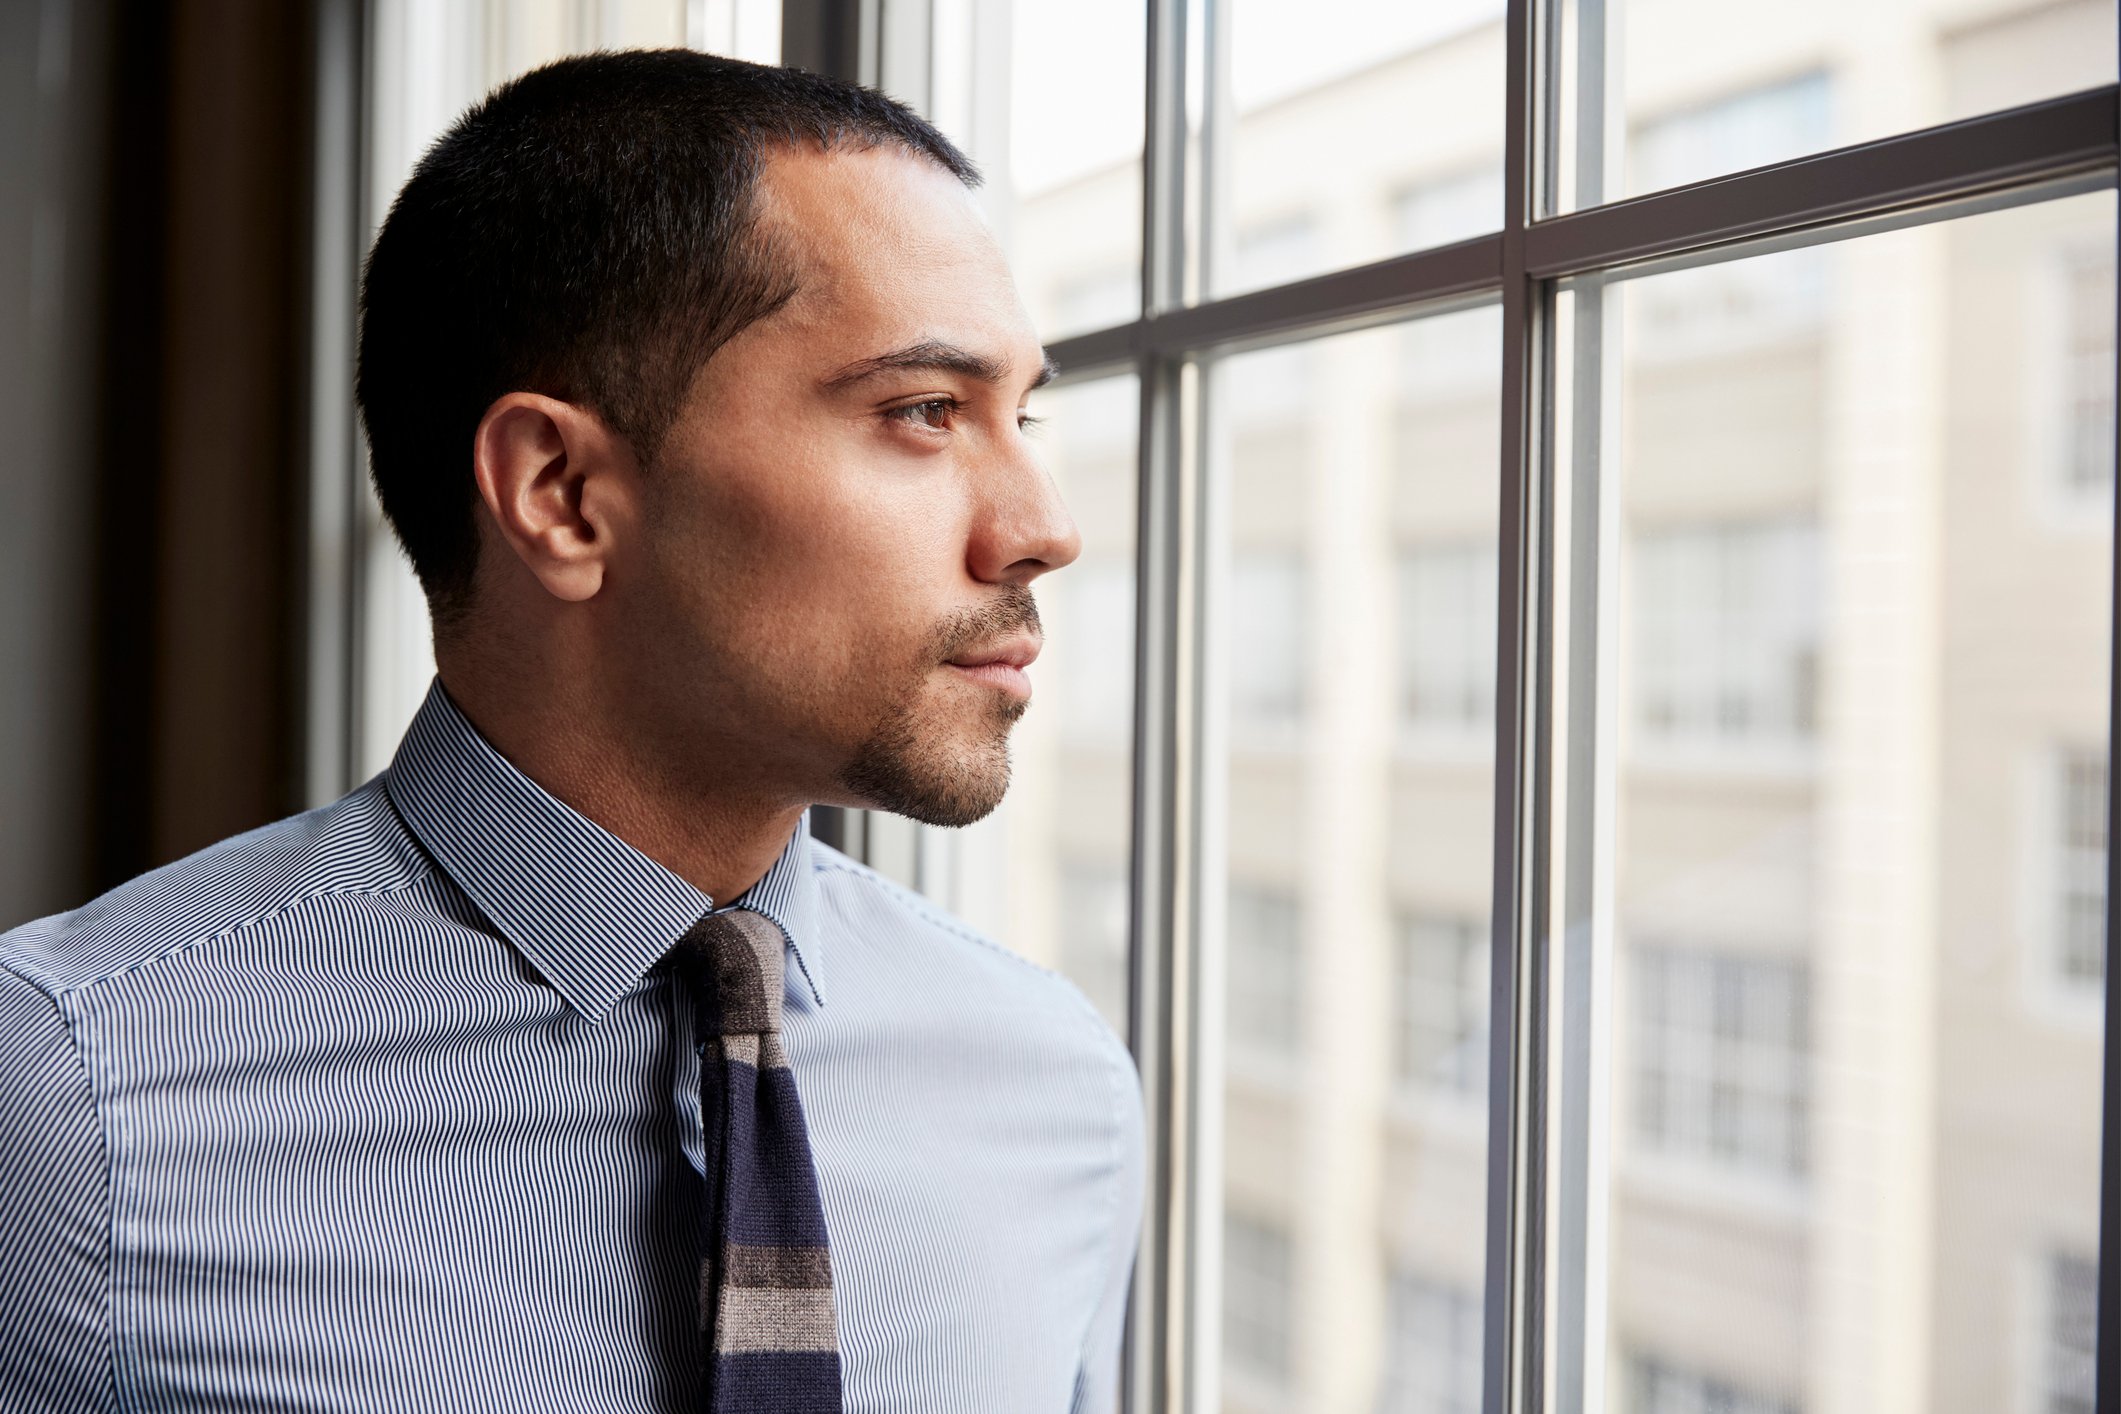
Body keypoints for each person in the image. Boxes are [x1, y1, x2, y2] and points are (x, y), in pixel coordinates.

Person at [0, 49, 1143, 1413]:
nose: (1043, 527)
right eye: (923, 412)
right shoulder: (68, 1098)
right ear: (562, 492)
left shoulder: (1051, 1083)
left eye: (1025, 413)